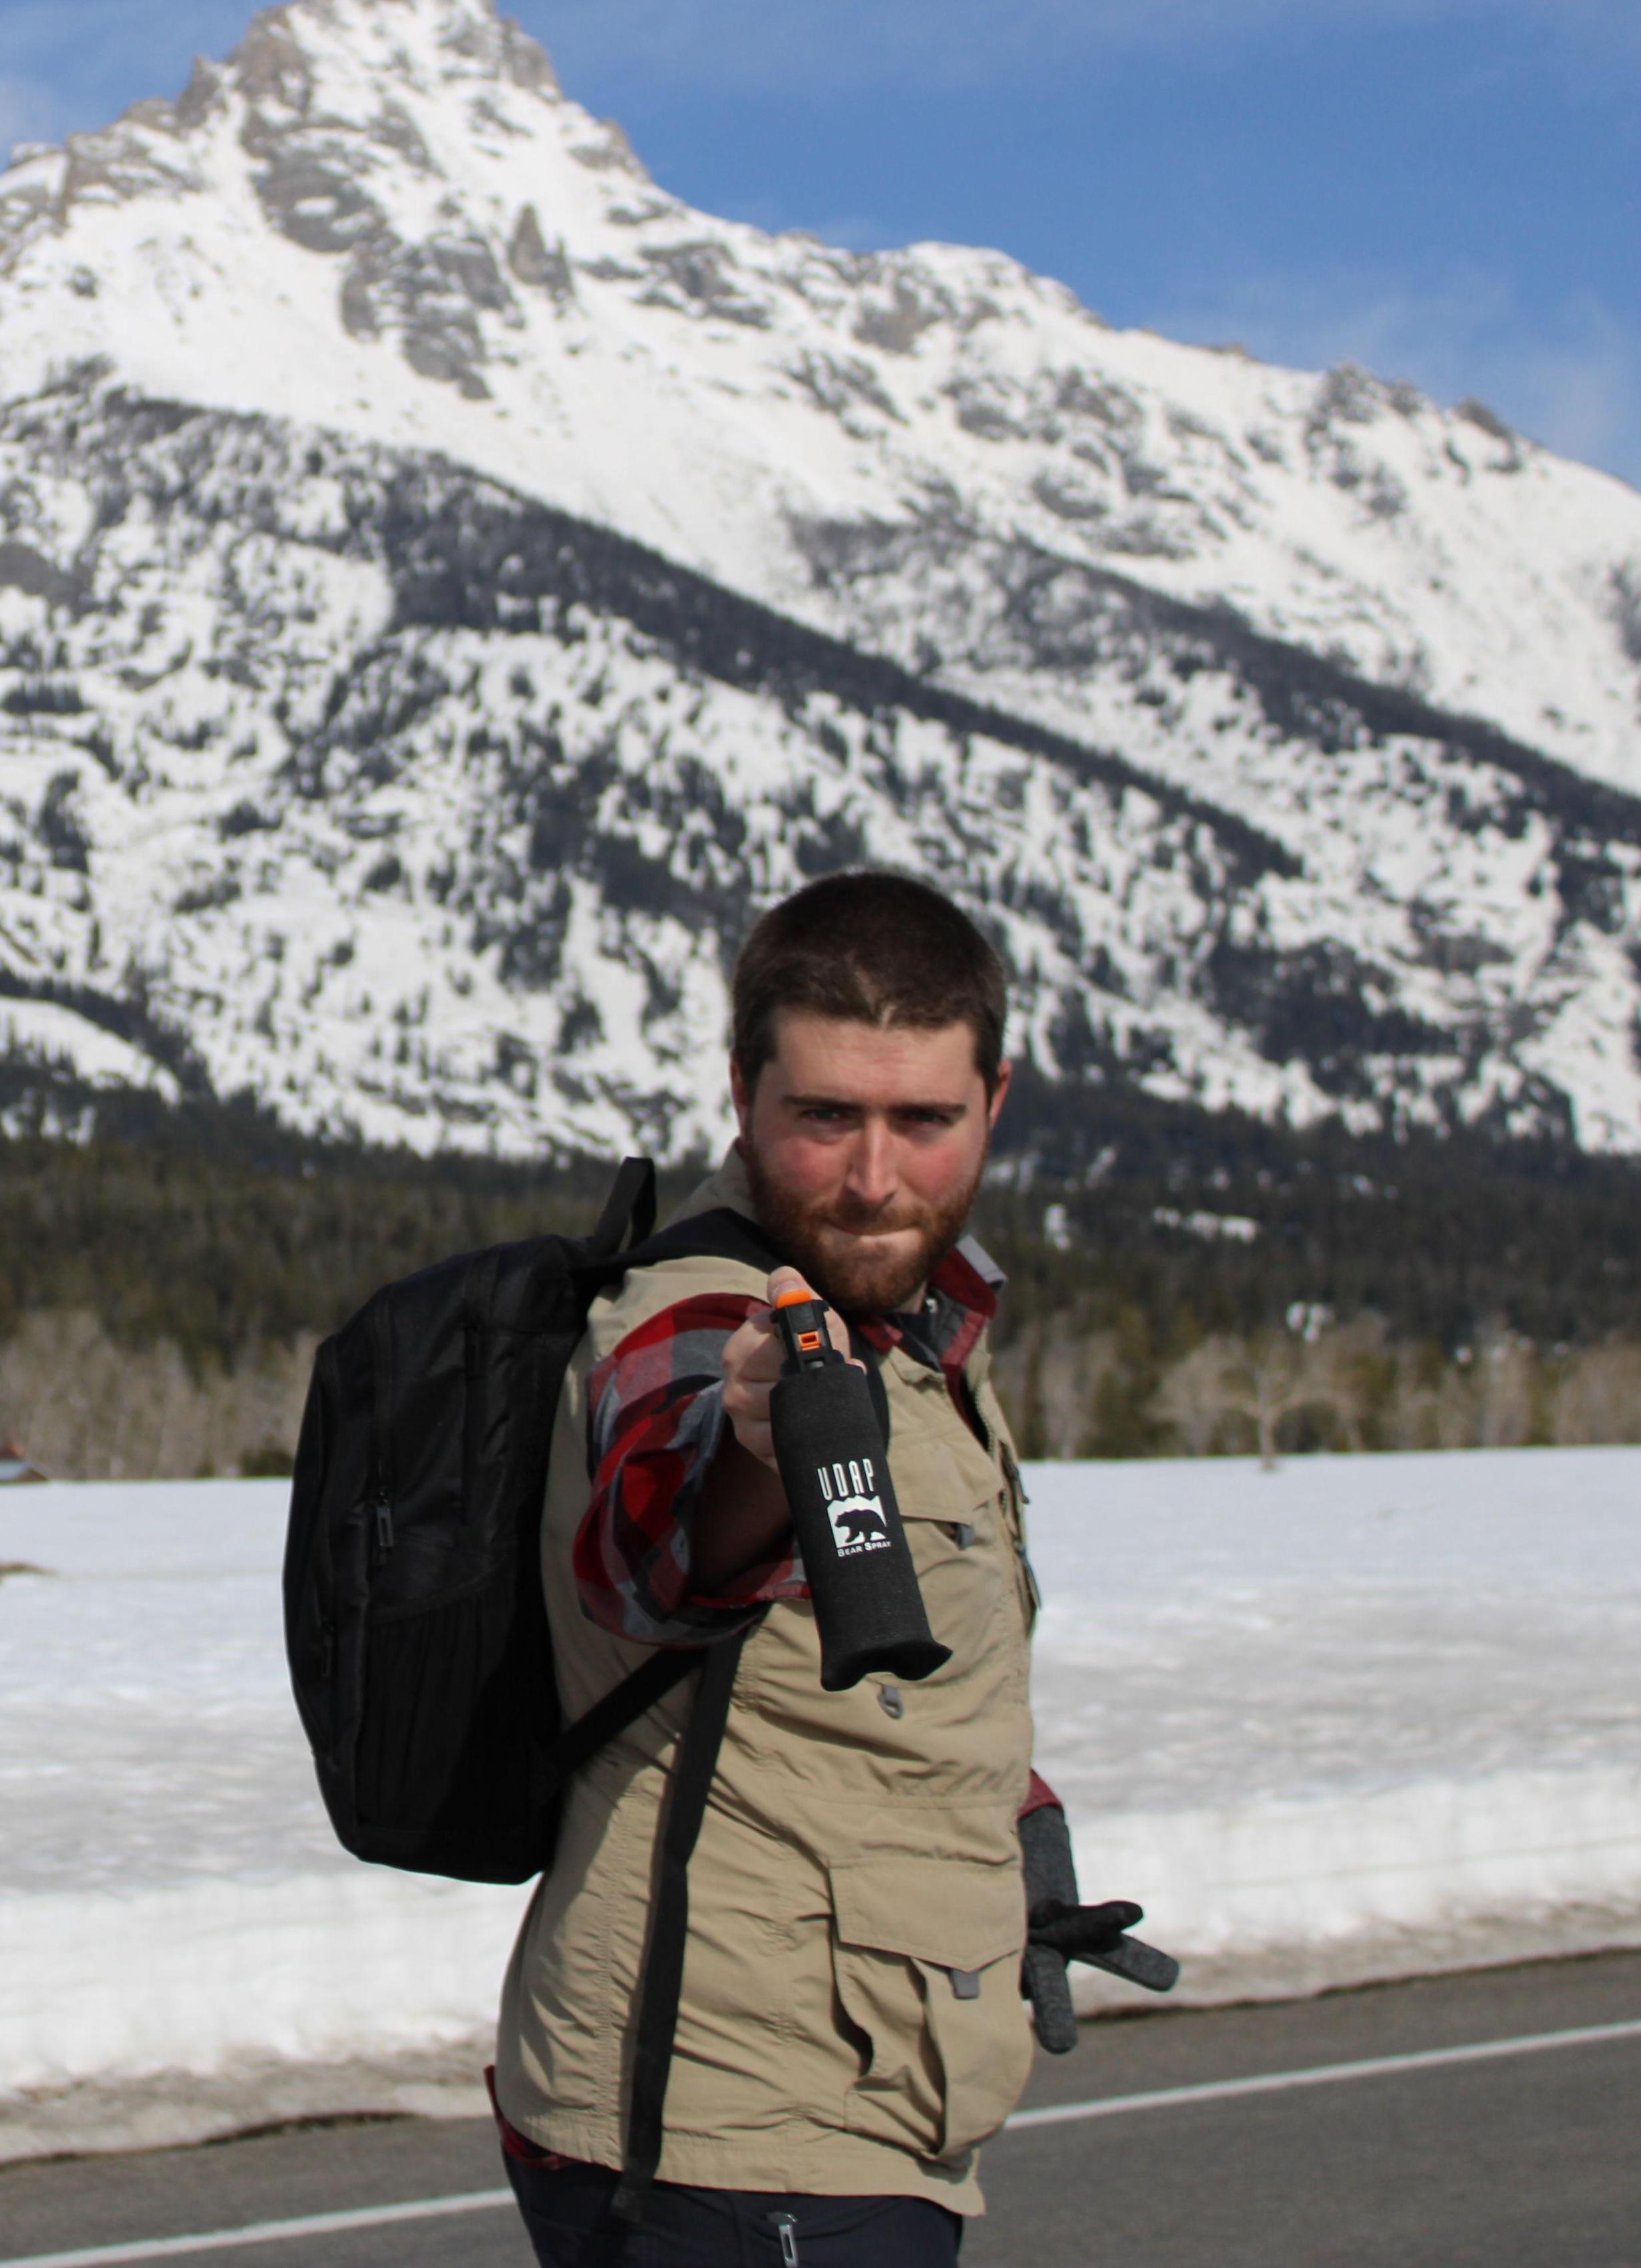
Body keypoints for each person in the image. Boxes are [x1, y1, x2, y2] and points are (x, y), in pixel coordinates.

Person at [494, 870, 1053, 2265]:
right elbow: (659, 1541)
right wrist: (759, 1440)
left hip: (863, 2099)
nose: (874, 1177)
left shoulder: (919, 1334)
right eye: (824, 1118)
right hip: (733, 2136)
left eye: (922, 1120)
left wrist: (1015, 1830)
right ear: (742, 1095)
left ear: (995, 1100)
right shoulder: (696, 1325)